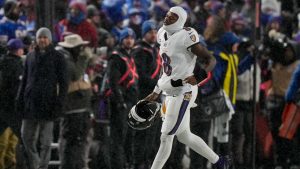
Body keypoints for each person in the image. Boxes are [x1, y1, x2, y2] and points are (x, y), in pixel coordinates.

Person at [143, 6, 231, 169]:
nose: (168, 18)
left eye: (173, 17)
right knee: (184, 136)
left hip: (184, 91)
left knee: (166, 137)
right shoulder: (162, 33)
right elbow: (165, 68)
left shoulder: (186, 35)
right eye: (168, 14)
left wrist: (199, 76)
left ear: (181, 20)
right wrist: (156, 90)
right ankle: (219, 161)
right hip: (169, 90)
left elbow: (210, 59)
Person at [16, 27, 68, 169]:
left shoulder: (58, 57)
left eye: (45, 37)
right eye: (40, 37)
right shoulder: (30, 56)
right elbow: (25, 80)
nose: (42, 40)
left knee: (46, 142)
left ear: (49, 39)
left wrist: (59, 104)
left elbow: (64, 84)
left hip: (48, 104)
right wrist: (20, 100)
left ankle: (42, 167)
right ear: (36, 39)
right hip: (30, 104)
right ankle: (35, 164)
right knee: (26, 137)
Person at [56, 34, 93, 169]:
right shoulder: (66, 60)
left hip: (81, 109)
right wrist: (84, 59)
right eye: (80, 47)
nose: (82, 49)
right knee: (69, 142)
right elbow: (76, 74)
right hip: (71, 110)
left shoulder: (72, 59)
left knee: (80, 142)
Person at [105, 27, 139, 169]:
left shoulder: (129, 56)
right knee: (118, 138)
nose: (129, 40)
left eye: (131, 38)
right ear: (121, 40)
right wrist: (120, 102)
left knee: (129, 137)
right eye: (126, 38)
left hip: (130, 102)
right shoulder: (116, 57)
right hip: (121, 104)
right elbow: (113, 82)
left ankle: (127, 163)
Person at [0, 38, 24, 168]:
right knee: (8, 144)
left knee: (6, 143)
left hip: (5, 109)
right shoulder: (15, 65)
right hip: (11, 110)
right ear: (19, 50)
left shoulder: (3, 62)